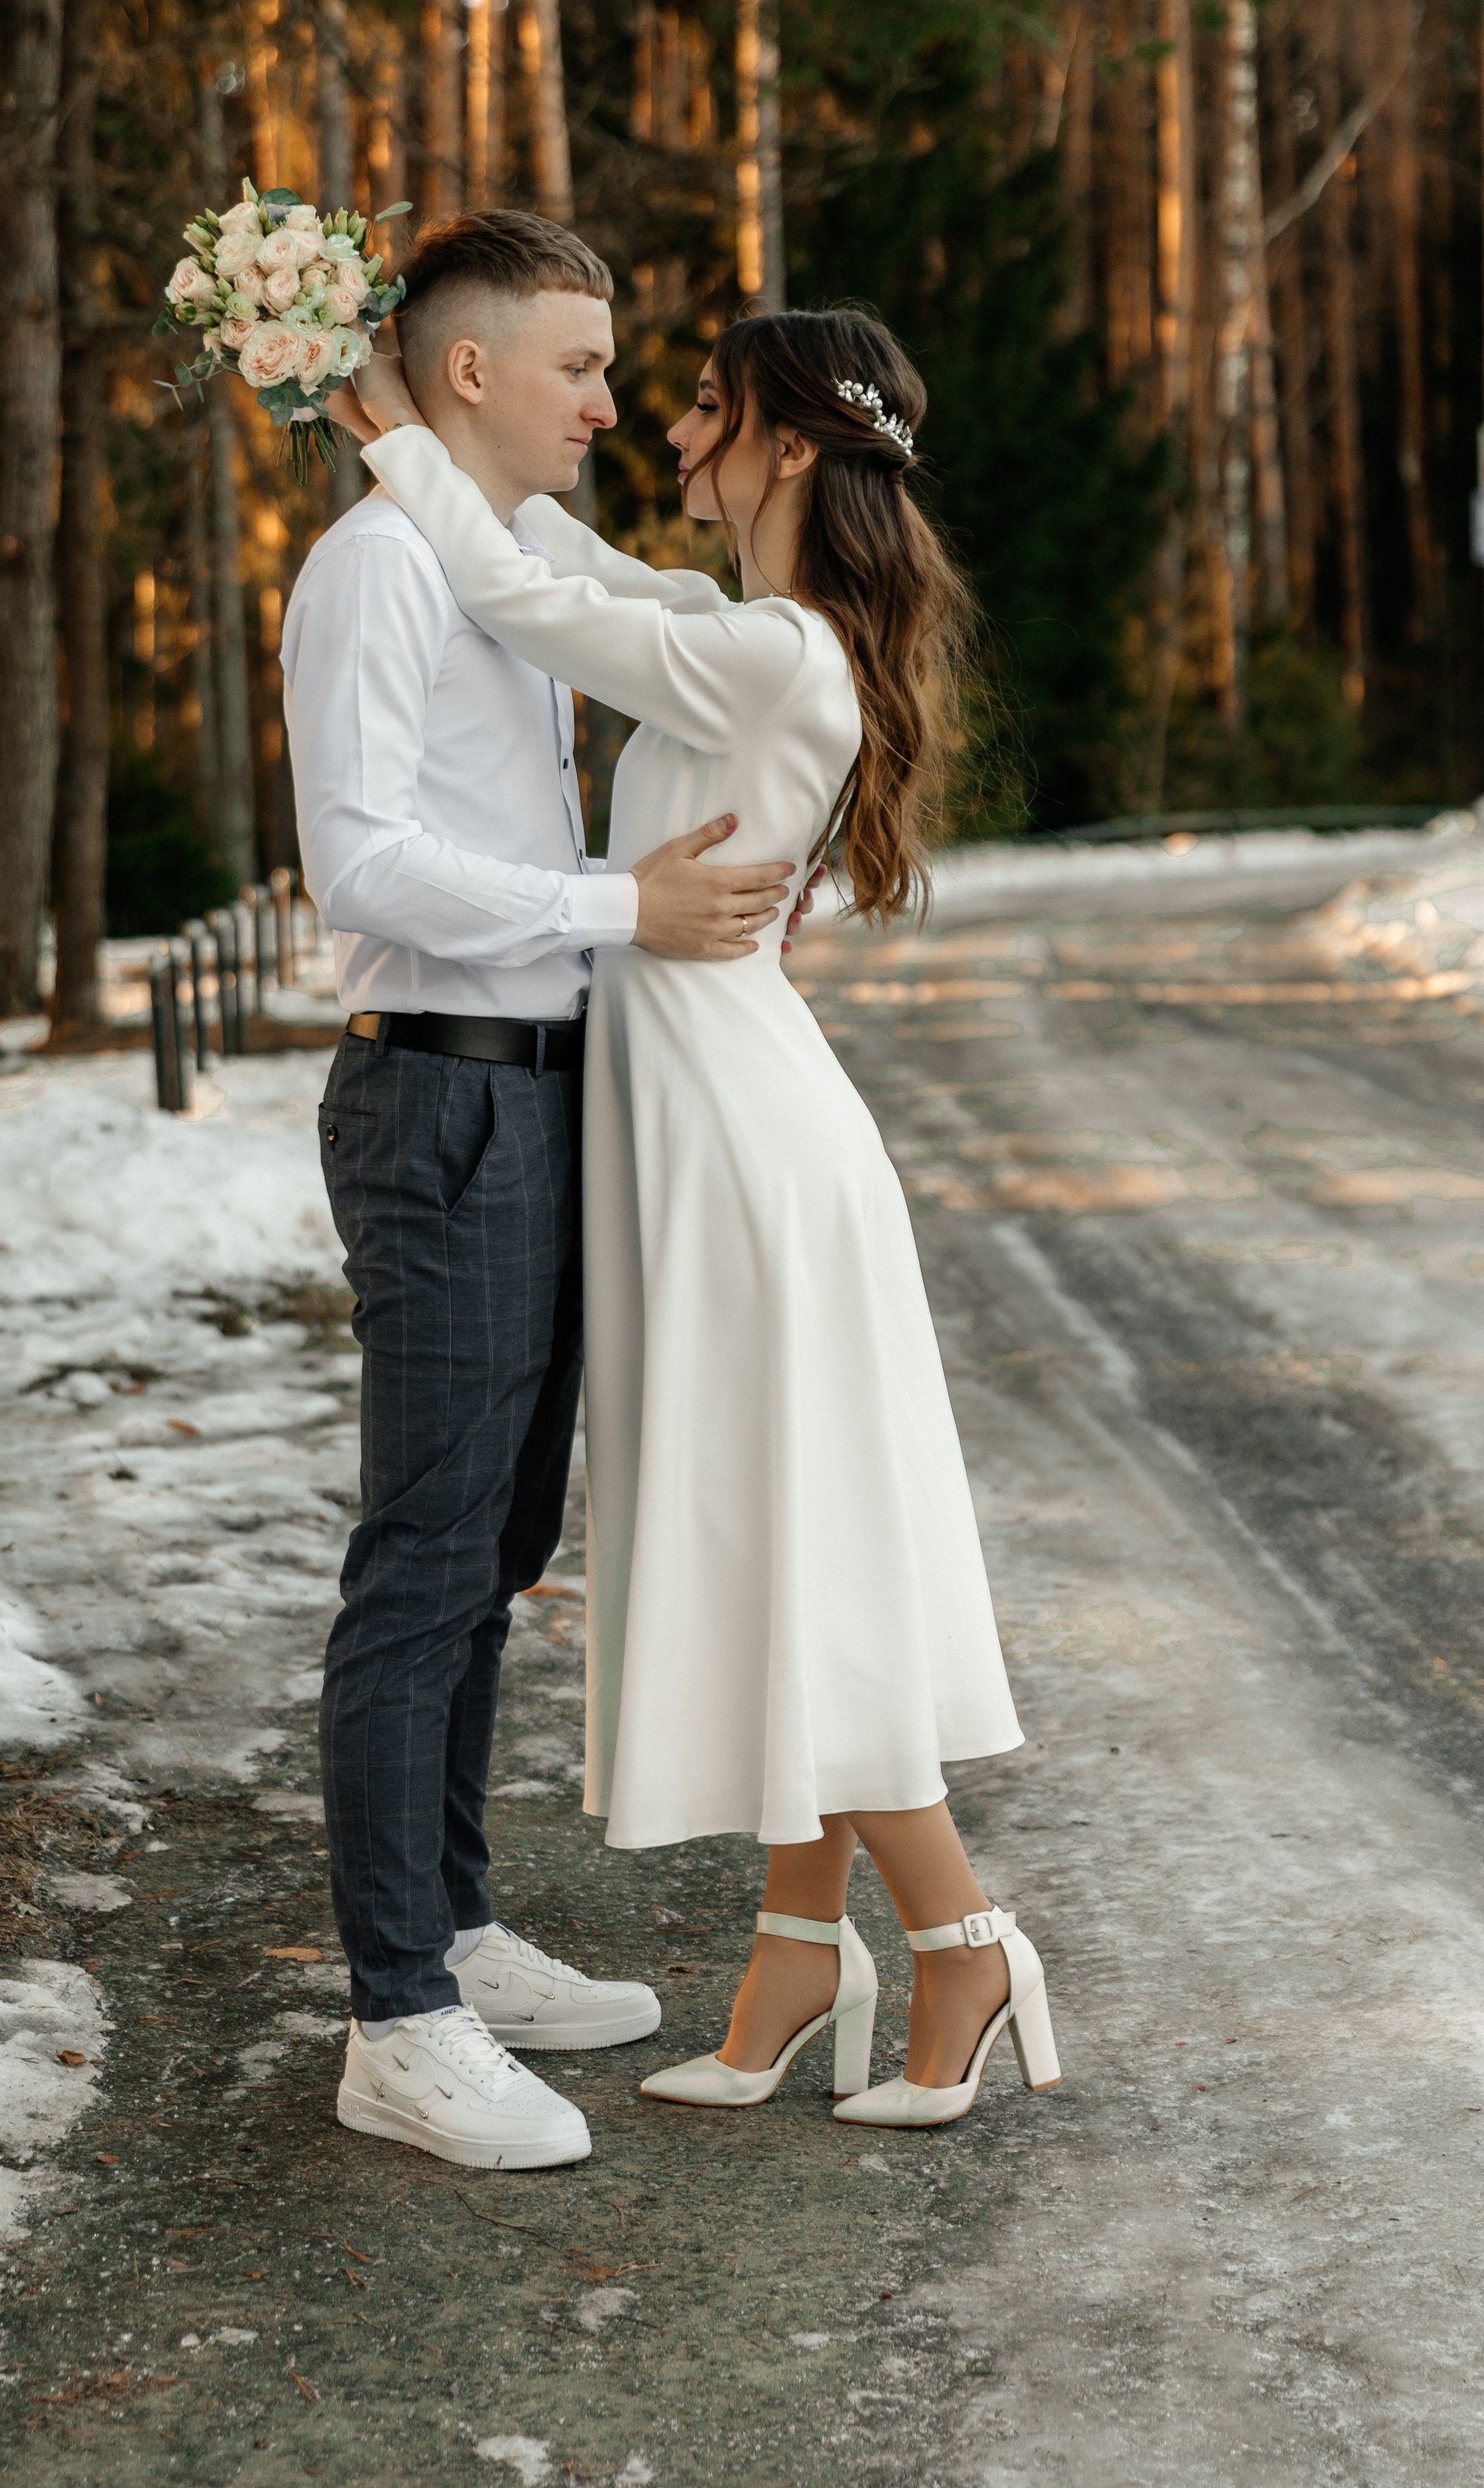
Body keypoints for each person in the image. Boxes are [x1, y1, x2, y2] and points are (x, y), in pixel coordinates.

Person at [330, 303, 1061, 2132]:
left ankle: (961, 1938)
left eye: (708, 408)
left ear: (791, 445)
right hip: (700, 1123)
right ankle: (795, 1953)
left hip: (740, 1146)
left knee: (791, 1540)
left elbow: (522, 596)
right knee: (774, 1533)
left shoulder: (776, 653)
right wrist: (416, 409)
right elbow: (561, 560)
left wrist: (383, 432)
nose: (663, 430)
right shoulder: (730, 629)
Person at [281, 210, 797, 2172]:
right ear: (470, 370)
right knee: (423, 1561)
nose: (606, 402)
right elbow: (359, 863)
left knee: (496, 1547)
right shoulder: (376, 568)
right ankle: (394, 2021)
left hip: (542, 1097)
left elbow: (683, 624)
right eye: (578, 366)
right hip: (439, 1097)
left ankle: (456, 1932)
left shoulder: (509, 563)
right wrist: (618, 905)